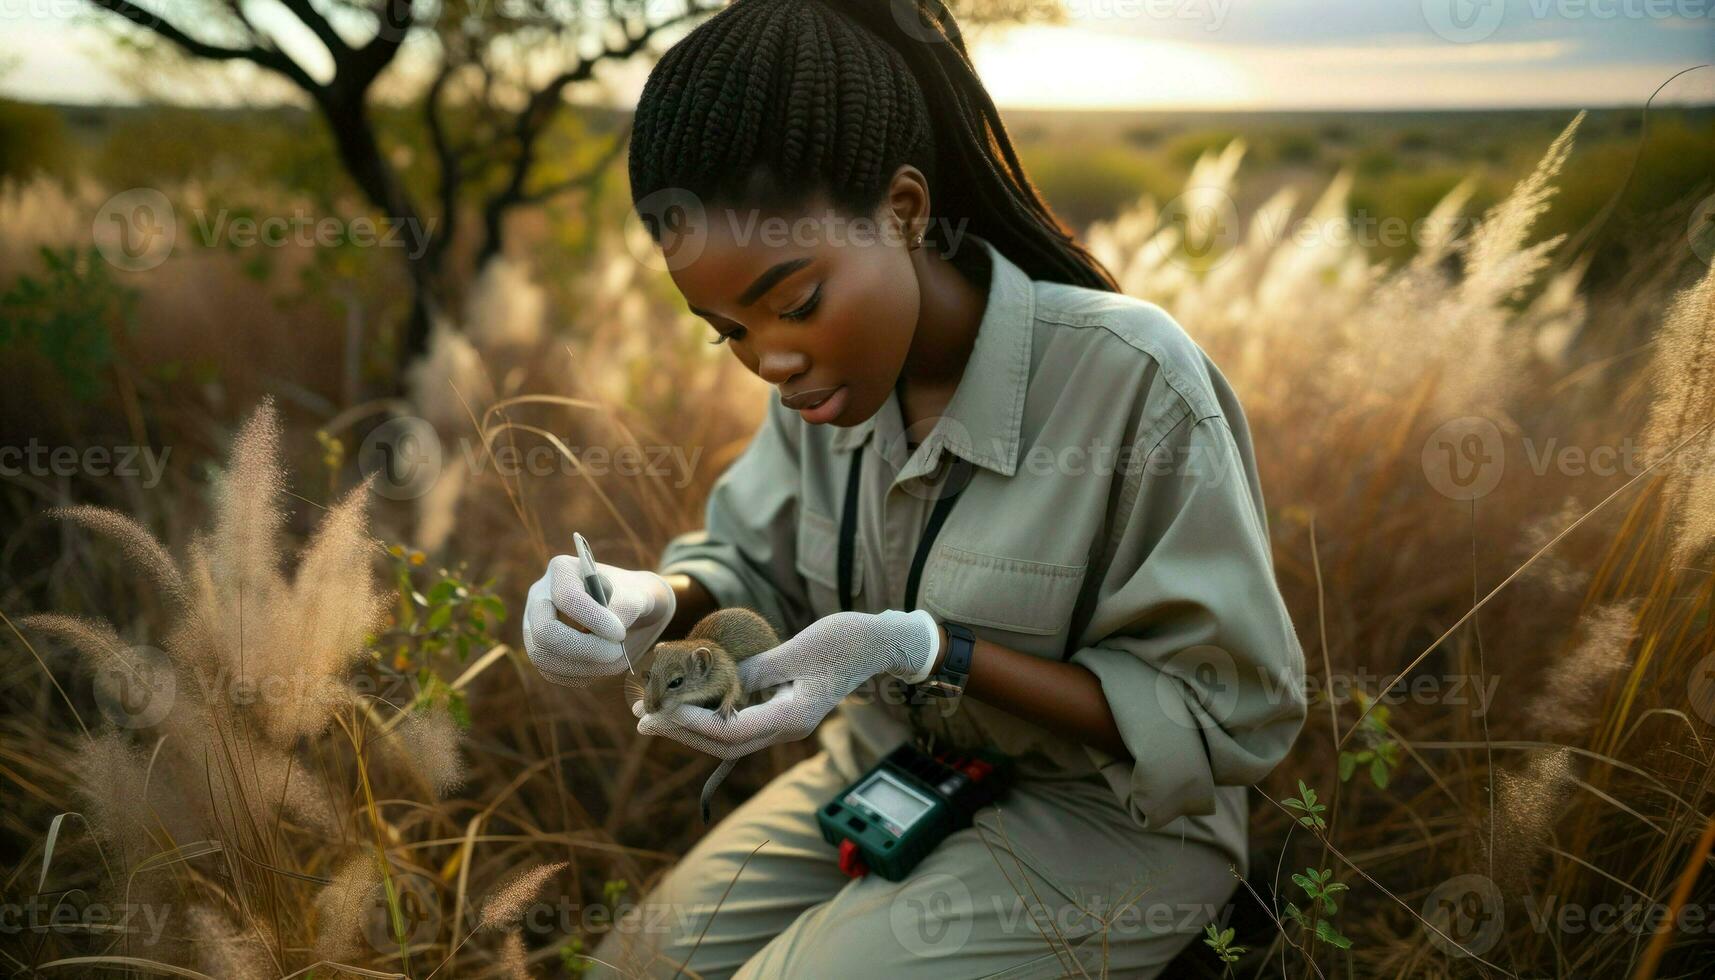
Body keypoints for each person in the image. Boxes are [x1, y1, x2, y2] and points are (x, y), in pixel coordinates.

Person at [521, 0, 1307, 975]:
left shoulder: (1132, 378)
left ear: (901, 210)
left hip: (1111, 819)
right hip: (885, 770)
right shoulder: (826, 387)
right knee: (630, 967)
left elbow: (1224, 709)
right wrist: (644, 601)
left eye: (795, 302)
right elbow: (749, 570)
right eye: (725, 329)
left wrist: (920, 647)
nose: (767, 360)